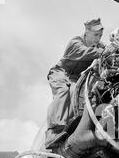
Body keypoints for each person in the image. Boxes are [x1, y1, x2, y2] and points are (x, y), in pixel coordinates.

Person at [45, 18, 105, 149]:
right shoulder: (76, 42)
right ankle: (52, 132)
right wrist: (104, 52)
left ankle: (69, 127)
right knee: (63, 92)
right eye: (96, 35)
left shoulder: (99, 47)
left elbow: (108, 52)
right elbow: (86, 52)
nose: (98, 38)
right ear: (87, 32)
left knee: (77, 94)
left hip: (74, 78)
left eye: (100, 35)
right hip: (60, 72)